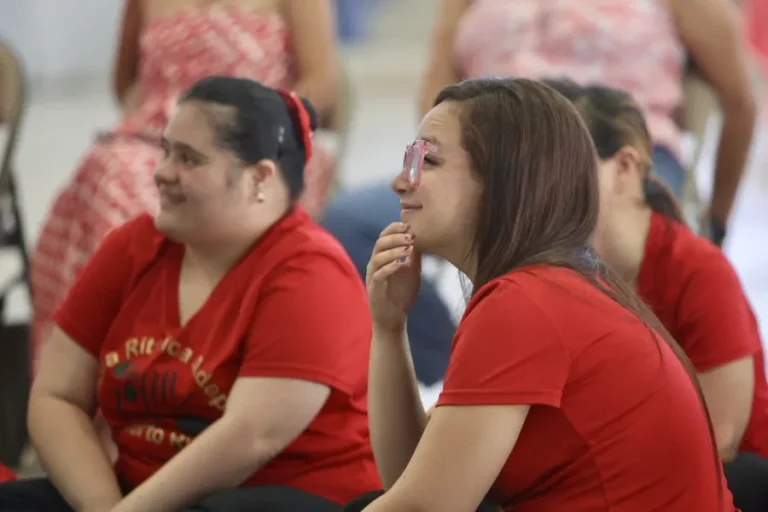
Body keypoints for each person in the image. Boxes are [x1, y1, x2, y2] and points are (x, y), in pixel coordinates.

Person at [354, 77, 736, 511]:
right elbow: (412, 479)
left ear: (504, 180)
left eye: (428, 160)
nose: (401, 181)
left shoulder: (525, 303)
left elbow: (422, 507)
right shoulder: (545, 287)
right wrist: (389, 326)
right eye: (410, 159)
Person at [0, 76, 380, 512]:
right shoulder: (132, 249)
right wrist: (103, 505)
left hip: (275, 497)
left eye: (188, 159)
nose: (161, 173)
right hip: (144, 497)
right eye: (165, 151)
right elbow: (56, 396)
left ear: (258, 177)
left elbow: (250, 436)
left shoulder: (311, 273)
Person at [30, 0, 340, 374]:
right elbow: (126, 84)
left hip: (254, 143)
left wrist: (253, 132)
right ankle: (112, 363)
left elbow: (322, 87)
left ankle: (190, 361)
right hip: (156, 139)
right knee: (113, 171)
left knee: (217, 185)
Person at [541, 78, 768, 512]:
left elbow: (720, 437)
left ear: (625, 166)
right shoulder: (559, 272)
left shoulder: (698, 269)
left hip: (726, 478)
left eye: (562, 162)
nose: (538, 184)